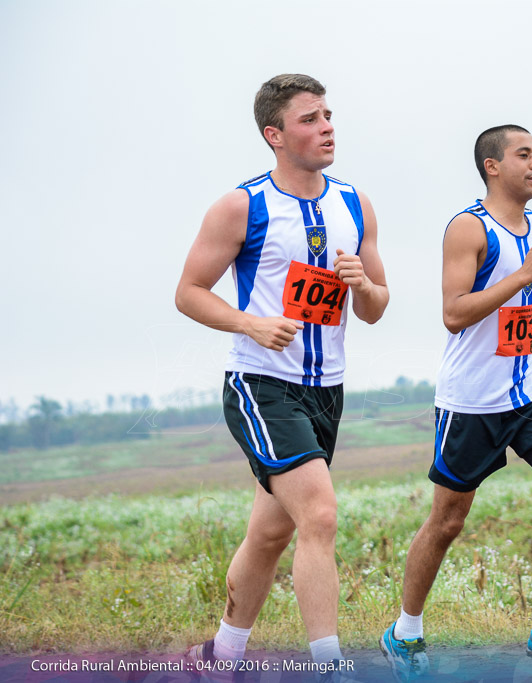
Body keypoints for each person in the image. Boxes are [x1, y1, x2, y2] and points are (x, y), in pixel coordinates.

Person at [175, 74, 388, 671]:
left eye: (327, 115)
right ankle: (329, 663)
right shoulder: (241, 205)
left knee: (271, 534)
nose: (326, 127)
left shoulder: (354, 203)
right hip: (261, 385)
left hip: (327, 390)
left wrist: (363, 284)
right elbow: (189, 292)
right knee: (318, 514)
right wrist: (251, 324)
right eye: (309, 119)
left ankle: (220, 655)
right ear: (274, 134)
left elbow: (376, 308)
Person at [379, 125, 532, 680]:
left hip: (526, 392)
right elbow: (455, 312)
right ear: (492, 166)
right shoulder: (467, 228)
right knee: (448, 521)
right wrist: (526, 275)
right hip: (472, 402)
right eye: (523, 155)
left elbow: (510, 299)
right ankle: (403, 632)